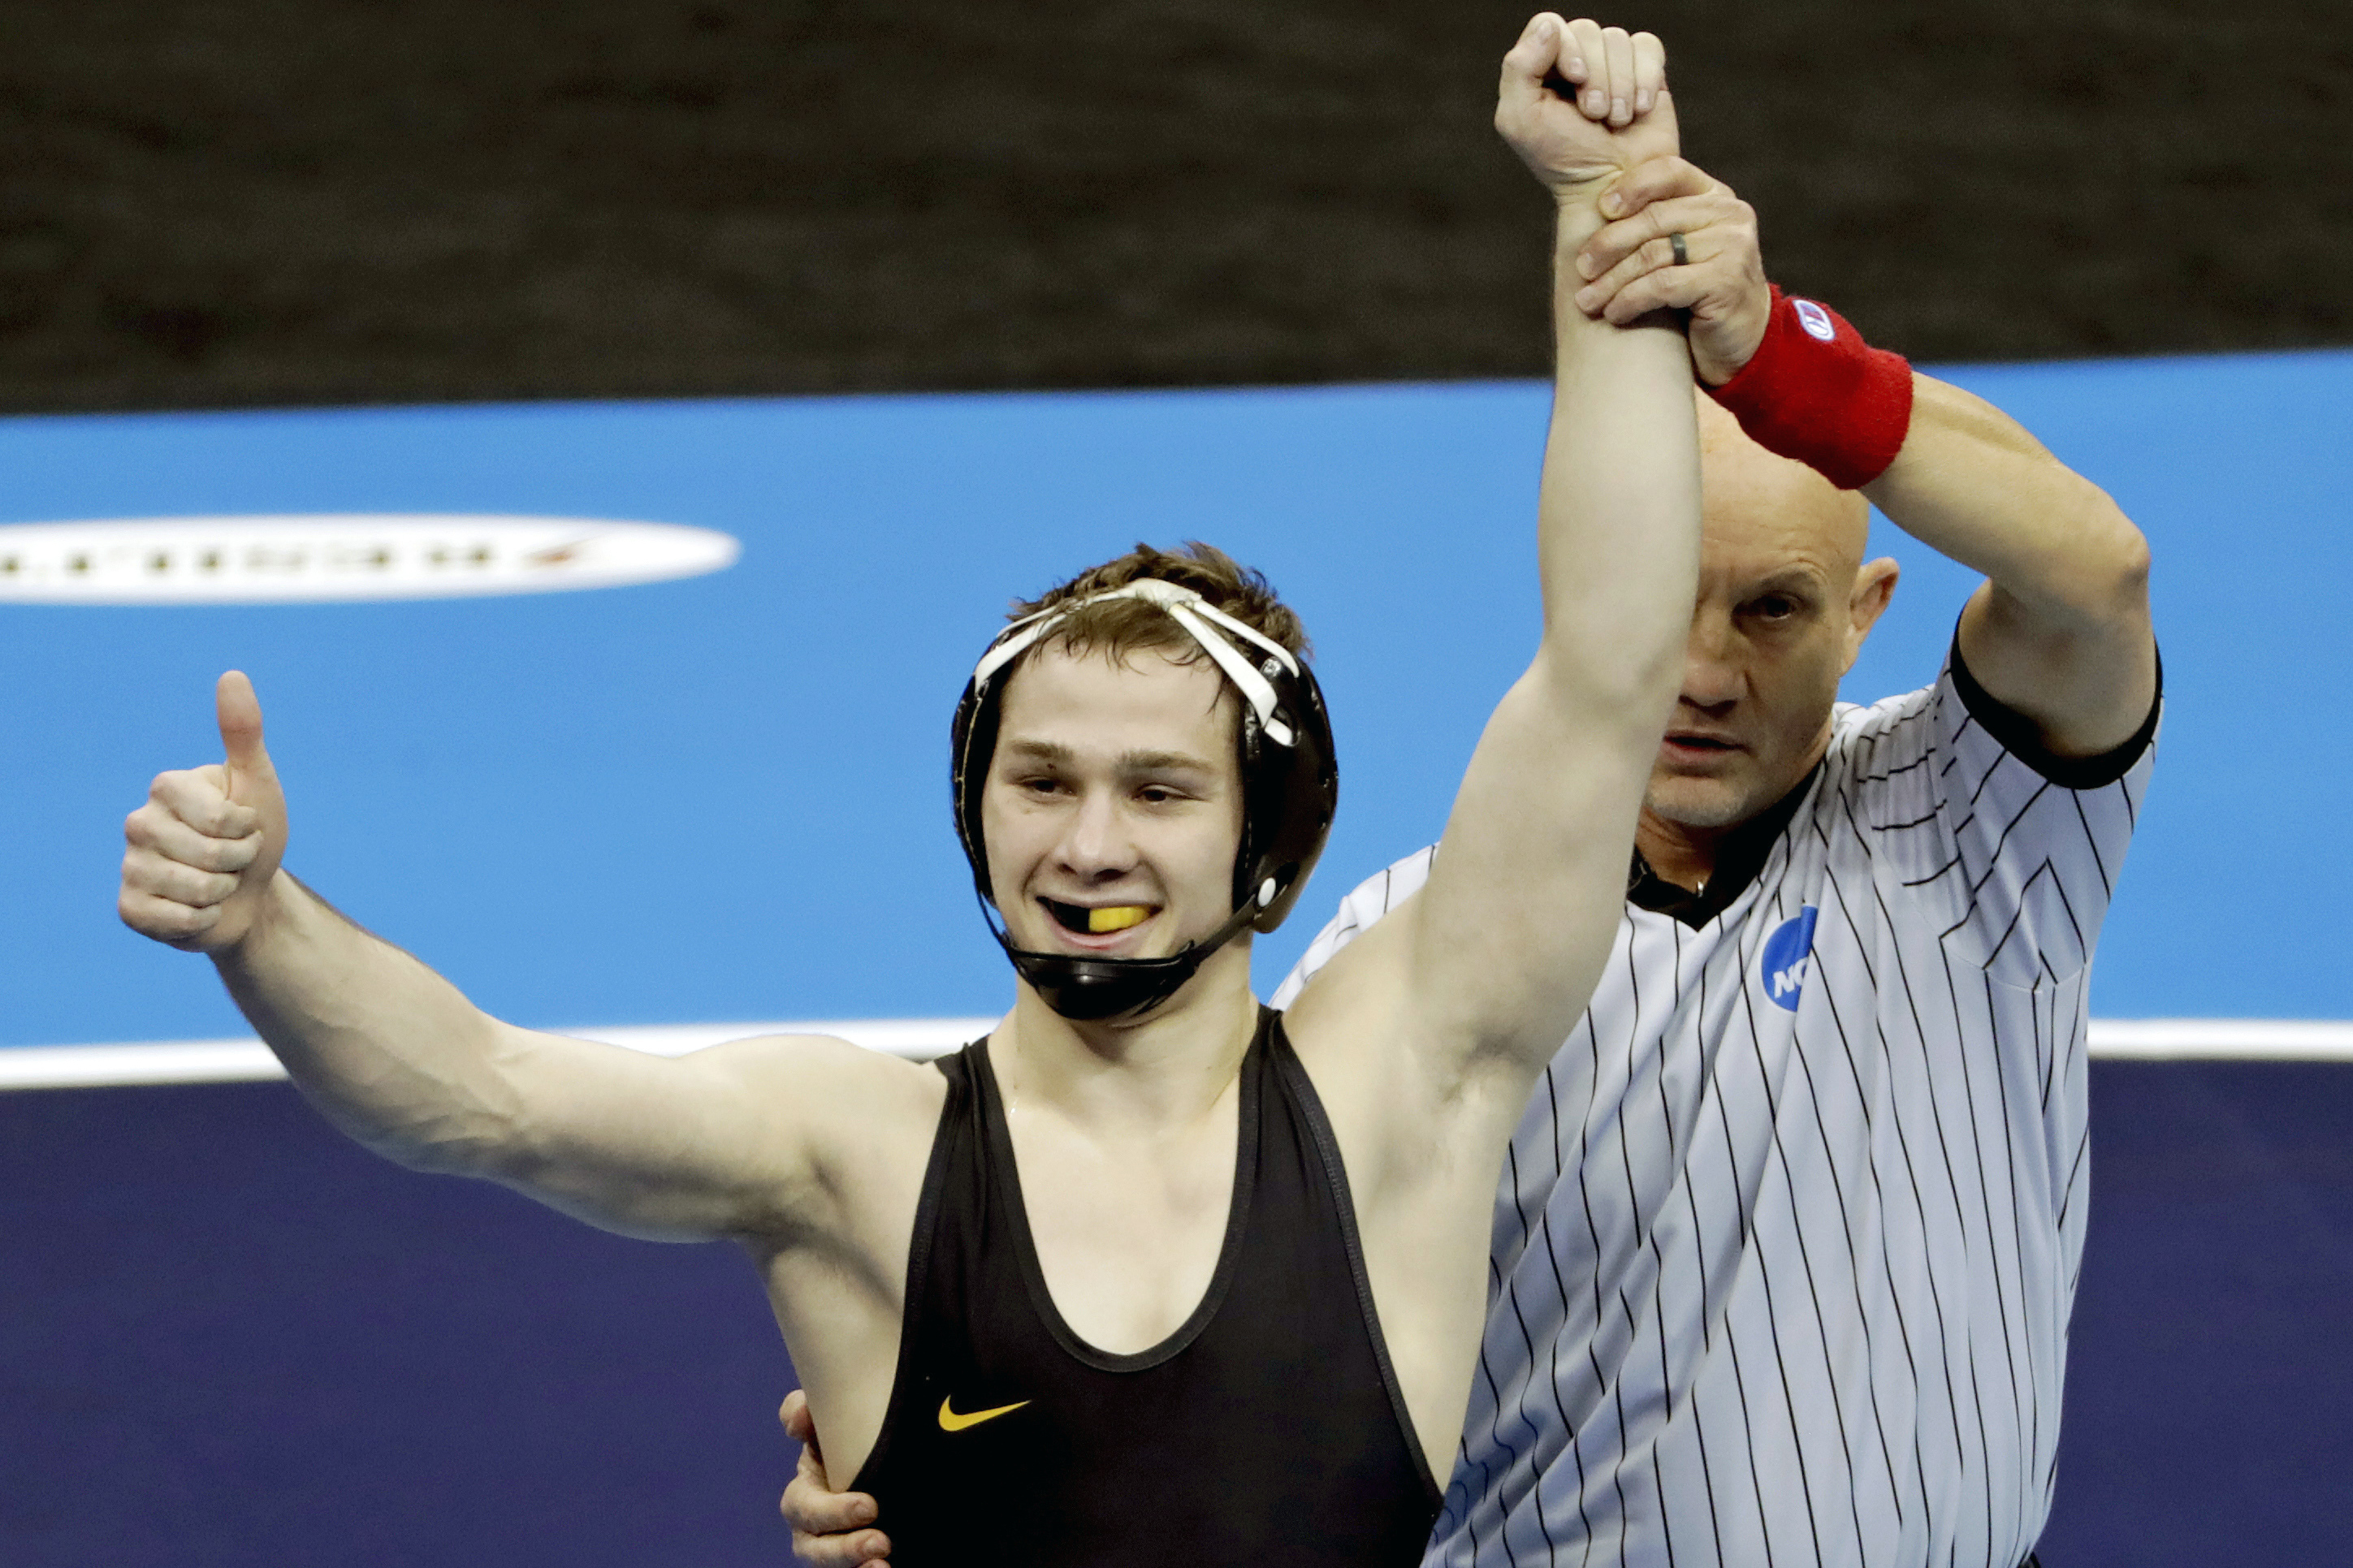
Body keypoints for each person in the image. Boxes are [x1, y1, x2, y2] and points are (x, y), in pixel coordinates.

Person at [117, 17, 1704, 1566]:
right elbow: (483, 1098)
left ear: (1267, 841)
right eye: (1041, 780)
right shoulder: (850, 1150)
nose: (1087, 843)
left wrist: (1603, 204)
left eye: (1158, 789)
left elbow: (1613, 659)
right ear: (977, 806)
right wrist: (261, 925)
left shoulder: (1401, 1083)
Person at [778, 76, 2158, 1568]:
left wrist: (1776, 356)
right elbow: (1191, 1311)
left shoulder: (1973, 821)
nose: (1696, 675)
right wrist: (937, 1466)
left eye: (1769, 610)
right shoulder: (1407, 965)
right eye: (1669, 604)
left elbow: (2097, 576)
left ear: (1864, 611)